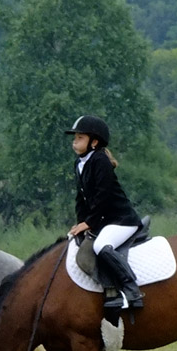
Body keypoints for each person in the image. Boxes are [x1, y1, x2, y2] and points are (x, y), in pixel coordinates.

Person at [65, 115, 143, 309]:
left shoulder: (100, 161)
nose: (75, 141)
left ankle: (131, 288)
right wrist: (80, 222)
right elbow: (81, 198)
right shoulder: (80, 163)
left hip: (121, 220)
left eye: (80, 138)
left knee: (101, 246)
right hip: (104, 220)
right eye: (75, 137)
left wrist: (89, 222)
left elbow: (103, 197)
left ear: (94, 142)